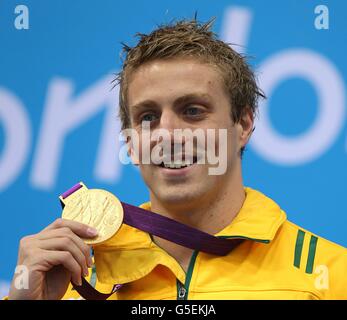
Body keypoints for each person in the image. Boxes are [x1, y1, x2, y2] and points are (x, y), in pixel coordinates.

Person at [7, 18, 347, 300]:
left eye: (193, 111)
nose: (166, 133)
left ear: (243, 124)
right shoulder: (70, 284)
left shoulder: (330, 275)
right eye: (147, 116)